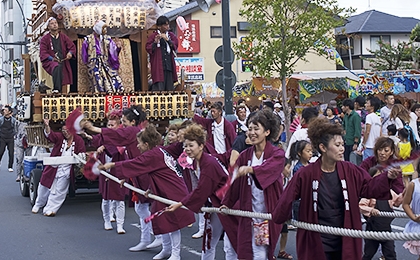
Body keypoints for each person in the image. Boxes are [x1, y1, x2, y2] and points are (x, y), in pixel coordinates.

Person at [272, 117, 400, 260]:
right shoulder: (305, 173)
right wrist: (280, 217)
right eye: (337, 145)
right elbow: (286, 198)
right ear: (323, 147)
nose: (342, 149)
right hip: (317, 235)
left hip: (345, 233)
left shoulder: (350, 170)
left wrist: (386, 177)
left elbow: (369, 188)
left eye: (342, 144)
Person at [99, 124, 195, 260]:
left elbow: (134, 163)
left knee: (173, 223)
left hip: (172, 191)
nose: (137, 146)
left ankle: (175, 253)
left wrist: (112, 165)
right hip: (164, 190)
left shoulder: (153, 154)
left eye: (139, 144)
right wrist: (150, 188)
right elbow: (157, 171)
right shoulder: (160, 150)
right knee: (162, 219)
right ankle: (166, 249)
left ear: (146, 144)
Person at [82, 106, 155, 251]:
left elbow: (116, 136)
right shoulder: (135, 131)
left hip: (144, 172)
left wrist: (93, 128)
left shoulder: (133, 131)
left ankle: (159, 238)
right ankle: (147, 239)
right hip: (137, 172)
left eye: (124, 121)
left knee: (152, 207)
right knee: (141, 208)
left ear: (133, 121)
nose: (123, 124)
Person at [166, 124, 238, 260]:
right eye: (185, 146)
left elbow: (201, 190)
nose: (187, 149)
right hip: (215, 205)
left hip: (229, 204)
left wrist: (180, 204)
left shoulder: (209, 163)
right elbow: (200, 189)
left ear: (201, 146)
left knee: (231, 245)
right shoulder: (196, 162)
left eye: (191, 145)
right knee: (209, 241)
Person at [221, 109, 285, 260]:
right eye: (250, 128)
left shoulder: (277, 154)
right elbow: (235, 183)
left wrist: (251, 169)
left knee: (260, 253)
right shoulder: (245, 155)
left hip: (266, 215)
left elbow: (270, 168)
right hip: (249, 212)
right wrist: (227, 203)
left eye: (256, 128)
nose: (252, 132)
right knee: (246, 251)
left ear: (267, 132)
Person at [32, 114, 86, 216]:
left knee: (60, 191)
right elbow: (50, 135)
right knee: (44, 186)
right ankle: (38, 204)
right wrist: (47, 126)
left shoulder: (78, 140)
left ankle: (51, 209)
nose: (66, 133)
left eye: (68, 130)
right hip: (53, 167)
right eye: (64, 131)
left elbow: (82, 153)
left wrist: (81, 157)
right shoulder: (60, 138)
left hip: (67, 169)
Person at [88, 110, 127, 233]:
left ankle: (120, 224)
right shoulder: (103, 135)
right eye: (108, 125)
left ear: (118, 125)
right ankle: (107, 220)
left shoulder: (122, 136)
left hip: (117, 167)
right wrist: (87, 136)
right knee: (105, 198)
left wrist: (105, 147)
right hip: (104, 167)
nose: (110, 127)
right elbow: (95, 140)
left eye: (112, 125)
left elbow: (119, 150)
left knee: (119, 198)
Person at [359, 167, 399, 260]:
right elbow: (360, 206)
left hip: (386, 229)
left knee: (391, 254)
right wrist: (370, 210)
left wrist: (406, 193)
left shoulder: (389, 191)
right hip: (372, 229)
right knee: (368, 254)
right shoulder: (369, 192)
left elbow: (397, 202)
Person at [81, 20, 124, 93]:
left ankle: (114, 94)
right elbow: (84, 53)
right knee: (97, 79)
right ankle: (100, 95)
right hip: (94, 63)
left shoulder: (107, 39)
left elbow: (113, 52)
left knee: (114, 78)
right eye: (103, 28)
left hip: (106, 62)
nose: (105, 31)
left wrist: (118, 47)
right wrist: (87, 62)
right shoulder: (88, 39)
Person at [39, 17, 76, 93]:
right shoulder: (44, 39)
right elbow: (43, 52)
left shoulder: (63, 37)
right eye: (52, 24)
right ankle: (56, 88)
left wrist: (70, 53)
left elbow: (72, 46)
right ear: (48, 27)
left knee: (63, 70)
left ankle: (64, 91)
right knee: (56, 66)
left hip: (63, 60)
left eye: (55, 23)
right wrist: (50, 58)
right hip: (50, 62)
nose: (54, 25)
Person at [146, 15, 178, 91]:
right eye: (165, 25)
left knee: (169, 89)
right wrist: (155, 42)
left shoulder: (171, 36)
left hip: (169, 66)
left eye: (168, 24)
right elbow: (148, 48)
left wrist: (167, 40)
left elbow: (175, 46)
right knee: (159, 88)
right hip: (158, 67)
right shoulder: (153, 36)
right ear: (159, 26)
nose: (167, 27)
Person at [0, 105, 17, 172]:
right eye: (4, 110)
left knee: (11, 152)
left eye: (5, 110)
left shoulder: (13, 120)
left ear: (9, 112)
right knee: (1, 152)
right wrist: (1, 132)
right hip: (3, 137)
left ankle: (10, 166)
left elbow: (15, 128)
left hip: (10, 137)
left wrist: (13, 134)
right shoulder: (1, 119)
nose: (4, 111)